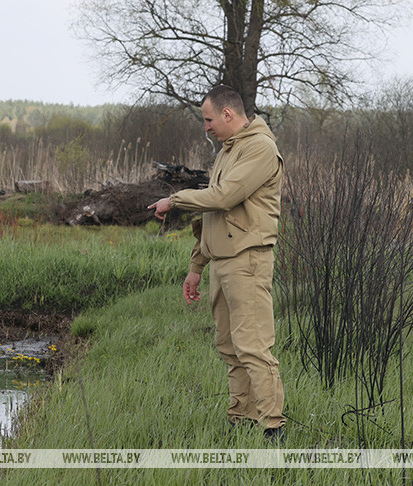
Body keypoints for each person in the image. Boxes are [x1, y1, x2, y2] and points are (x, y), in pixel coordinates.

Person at [147, 85, 286, 441]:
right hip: (223, 262)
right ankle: (240, 419)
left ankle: (273, 429)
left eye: (209, 119)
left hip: (248, 261)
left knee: (253, 346)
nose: (206, 127)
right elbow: (212, 216)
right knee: (228, 346)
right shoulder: (228, 150)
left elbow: (223, 198)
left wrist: (174, 200)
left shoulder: (259, 148)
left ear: (228, 114)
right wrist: (196, 266)